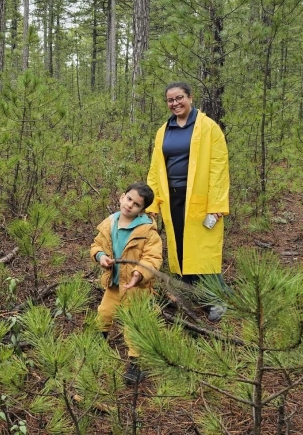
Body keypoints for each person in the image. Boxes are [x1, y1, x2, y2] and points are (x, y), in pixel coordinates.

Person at [146, 82, 230, 322]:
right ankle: (188, 293)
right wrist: (152, 204)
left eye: (179, 98)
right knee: (181, 248)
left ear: (190, 98)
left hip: (201, 200)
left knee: (204, 251)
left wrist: (216, 205)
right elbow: (155, 169)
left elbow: (219, 167)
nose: (175, 103)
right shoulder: (164, 130)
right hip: (172, 198)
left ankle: (216, 298)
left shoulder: (208, 127)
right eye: (170, 100)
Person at [91, 182, 162, 384]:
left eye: (137, 204)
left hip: (135, 289)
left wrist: (139, 273)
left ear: (142, 210)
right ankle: (96, 345)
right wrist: (100, 256)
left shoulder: (148, 231)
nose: (130, 205)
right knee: (104, 314)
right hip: (114, 285)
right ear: (122, 197)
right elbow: (96, 245)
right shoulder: (109, 223)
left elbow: (153, 258)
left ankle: (136, 363)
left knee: (134, 324)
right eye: (129, 199)